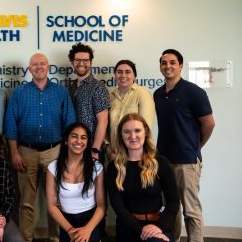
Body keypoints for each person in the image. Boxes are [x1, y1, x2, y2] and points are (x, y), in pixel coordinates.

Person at [5, 52, 76, 242]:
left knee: (56, 200)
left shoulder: (60, 92)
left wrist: (68, 155)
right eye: (34, 64)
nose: (39, 67)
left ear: (48, 67)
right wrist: (14, 152)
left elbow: (70, 123)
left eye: (42, 63)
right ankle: (26, 238)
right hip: (25, 152)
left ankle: (55, 238)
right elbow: (11, 124)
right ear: (29, 69)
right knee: (27, 201)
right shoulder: (19, 92)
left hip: (55, 151)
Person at [154, 49, 215, 242]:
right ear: (160, 66)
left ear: (180, 65)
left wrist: (195, 147)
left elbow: (209, 123)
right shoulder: (158, 94)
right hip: (163, 160)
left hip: (187, 161)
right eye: (164, 63)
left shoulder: (194, 92)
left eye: (172, 62)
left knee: (191, 210)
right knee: (172, 208)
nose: (168, 66)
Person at [106, 113, 180, 242]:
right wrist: (143, 231)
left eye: (137, 130)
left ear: (145, 132)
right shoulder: (114, 167)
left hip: (158, 224)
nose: (132, 136)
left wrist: (158, 227)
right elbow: (118, 207)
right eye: (127, 132)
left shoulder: (161, 163)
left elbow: (173, 202)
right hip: (128, 227)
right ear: (121, 135)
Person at [46, 123, 105, 242]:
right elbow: (51, 206)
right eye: (74, 136)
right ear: (66, 141)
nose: (79, 141)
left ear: (87, 142)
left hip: (91, 221)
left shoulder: (96, 167)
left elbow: (101, 206)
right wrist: (70, 230)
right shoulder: (53, 167)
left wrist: (87, 229)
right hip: (66, 222)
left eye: (83, 137)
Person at [68, 42, 110, 161]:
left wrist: (95, 150)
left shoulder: (98, 87)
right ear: (72, 62)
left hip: (90, 150)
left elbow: (103, 121)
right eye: (78, 60)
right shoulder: (71, 88)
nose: (81, 63)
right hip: (73, 148)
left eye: (86, 60)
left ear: (91, 62)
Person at [108, 60, 154, 159]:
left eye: (128, 72)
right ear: (115, 75)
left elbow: (146, 127)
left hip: (136, 155)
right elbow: (105, 125)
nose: (123, 75)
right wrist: (108, 148)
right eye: (119, 72)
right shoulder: (110, 96)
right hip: (113, 154)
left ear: (134, 75)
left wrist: (130, 154)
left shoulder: (142, 93)